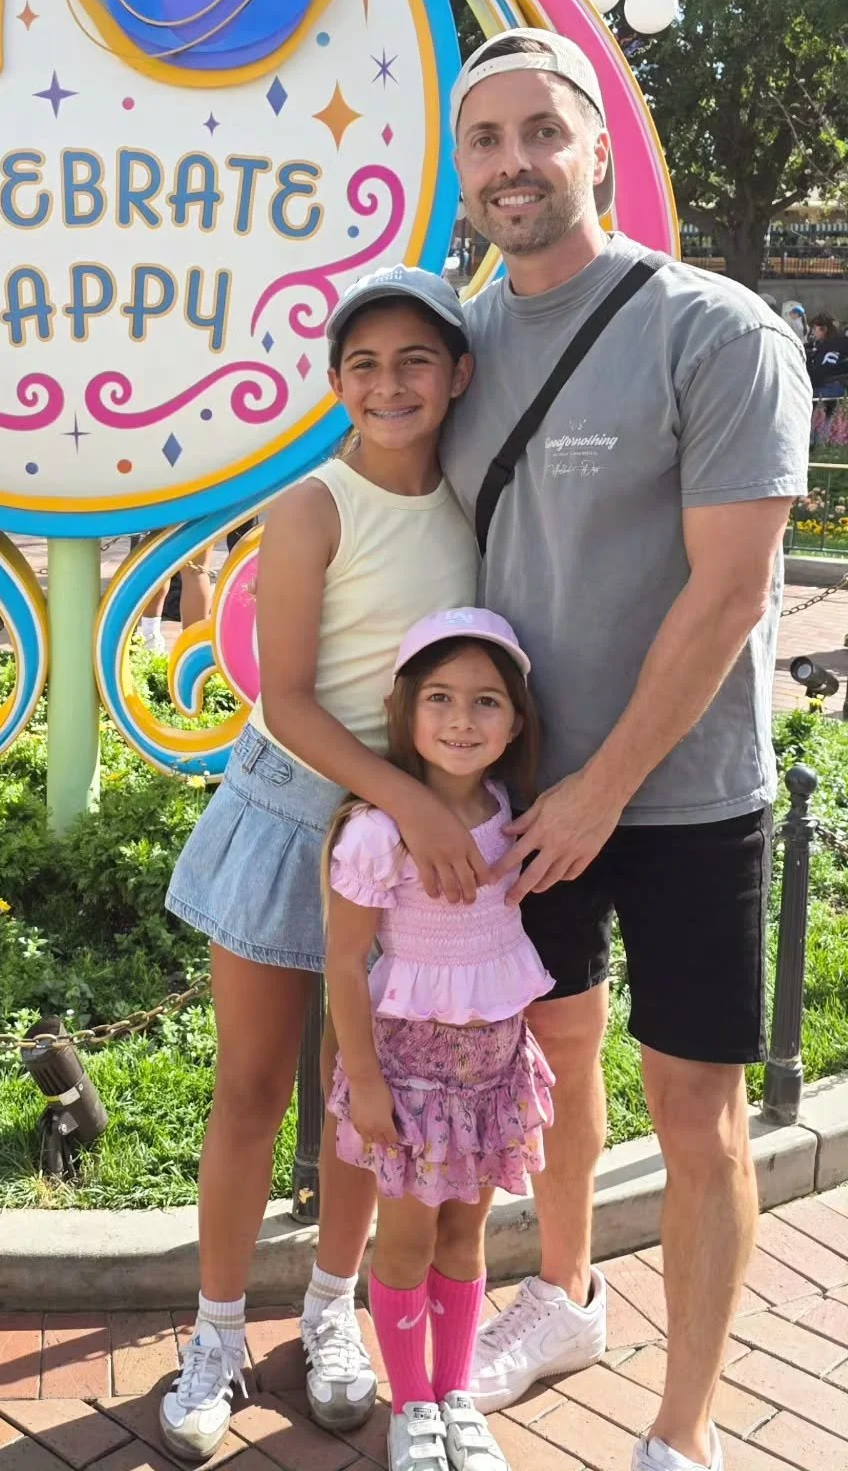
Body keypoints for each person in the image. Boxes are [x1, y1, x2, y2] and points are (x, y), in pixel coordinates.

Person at [438, 30, 812, 1471]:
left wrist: (605, 785)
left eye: (543, 132)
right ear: (463, 168)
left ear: (597, 146)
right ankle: (566, 1294)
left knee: (697, 1105)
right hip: (521, 795)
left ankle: (684, 1431)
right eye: (487, 140)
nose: (515, 162)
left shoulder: (712, 330)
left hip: (684, 799)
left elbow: (730, 591)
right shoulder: (459, 344)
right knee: (555, 1056)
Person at [158, 265, 490, 1462]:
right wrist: (407, 800)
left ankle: (332, 1309)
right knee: (250, 1090)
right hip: (297, 811)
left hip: (413, 845)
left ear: (456, 375)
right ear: (335, 380)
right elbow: (284, 695)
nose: (388, 384)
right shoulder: (312, 505)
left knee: (369, 1105)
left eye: (414, 362)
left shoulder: (477, 508)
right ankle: (214, 1331)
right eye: (363, 364)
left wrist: (428, 813)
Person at [324, 608, 553, 1471]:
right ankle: (410, 1405)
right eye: (442, 699)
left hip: (491, 1075)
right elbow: (345, 964)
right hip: (411, 1083)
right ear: (406, 714)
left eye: (486, 701)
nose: (462, 720)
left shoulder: (511, 813)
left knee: (466, 1239)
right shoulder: (377, 833)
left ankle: (455, 1393)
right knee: (411, 1242)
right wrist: (369, 1084)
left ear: (517, 721)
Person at [806, 314, 848, 399]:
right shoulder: (824, 345)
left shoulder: (828, 346)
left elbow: (822, 370)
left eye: (814, 329)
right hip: (835, 386)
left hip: (833, 387)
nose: (813, 332)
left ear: (824, 329)